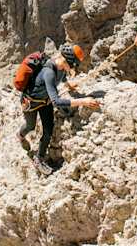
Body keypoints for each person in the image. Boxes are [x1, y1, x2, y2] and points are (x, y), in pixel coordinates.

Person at [17, 43, 100, 175]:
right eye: (72, 65)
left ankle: (39, 158)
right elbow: (57, 101)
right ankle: (20, 136)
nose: (72, 68)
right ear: (65, 60)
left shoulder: (60, 67)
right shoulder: (48, 72)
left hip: (45, 101)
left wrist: (68, 85)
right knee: (30, 126)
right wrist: (83, 101)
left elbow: (62, 77)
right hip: (31, 103)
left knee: (48, 131)